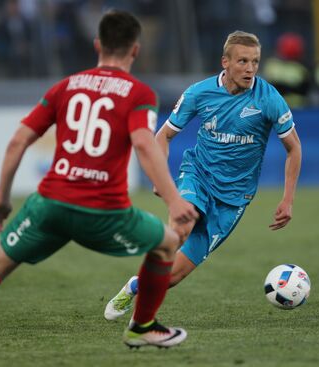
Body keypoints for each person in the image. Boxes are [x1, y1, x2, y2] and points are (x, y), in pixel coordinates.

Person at [0, 10, 198, 362]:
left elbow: (17, 142)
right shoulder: (139, 93)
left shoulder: (66, 86)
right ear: (135, 50)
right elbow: (145, 144)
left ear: (97, 45)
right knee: (166, 244)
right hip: (104, 213)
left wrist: (1, 199)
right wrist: (175, 200)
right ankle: (142, 326)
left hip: (49, 205)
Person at [104, 31, 302, 321]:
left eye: (255, 62)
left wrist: (288, 200)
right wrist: (164, 183)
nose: (250, 69)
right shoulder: (199, 93)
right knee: (182, 227)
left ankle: (135, 285)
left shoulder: (269, 99)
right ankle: (144, 323)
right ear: (226, 62)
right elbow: (164, 135)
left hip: (233, 199)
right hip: (197, 175)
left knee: (172, 277)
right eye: (243, 61)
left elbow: (294, 148)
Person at [262, 32, 310, 108]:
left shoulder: (271, 65)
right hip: (298, 108)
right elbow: (306, 89)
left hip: (275, 108)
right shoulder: (302, 68)